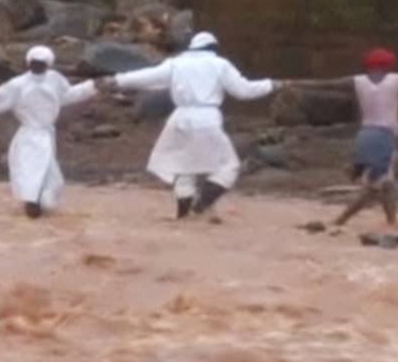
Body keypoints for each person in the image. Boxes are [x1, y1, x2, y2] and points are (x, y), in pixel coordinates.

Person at [102, 32, 280, 221]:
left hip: (180, 118)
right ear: (213, 48)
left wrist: (118, 80)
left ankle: (183, 215)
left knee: (185, 167)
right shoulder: (220, 65)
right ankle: (201, 205)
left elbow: (147, 76)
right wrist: (271, 85)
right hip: (207, 119)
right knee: (228, 166)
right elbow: (243, 90)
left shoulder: (176, 63)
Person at [287, 48, 398, 226]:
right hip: (384, 137)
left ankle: (392, 221)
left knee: (386, 182)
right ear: (388, 65)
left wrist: (295, 82)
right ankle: (341, 220)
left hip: (364, 136)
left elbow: (325, 84)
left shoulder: (357, 81)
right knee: (374, 187)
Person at [0, 45, 98, 219]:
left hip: (47, 136)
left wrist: (92, 87)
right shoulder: (18, 85)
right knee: (34, 173)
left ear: (48, 64)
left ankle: (38, 207)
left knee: (50, 179)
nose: (37, 66)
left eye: (41, 63)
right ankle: (32, 205)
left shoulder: (55, 80)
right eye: (35, 63)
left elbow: (68, 95)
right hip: (29, 136)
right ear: (29, 63)